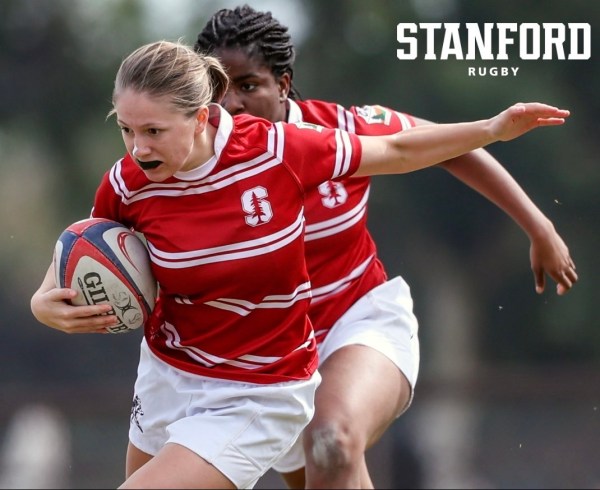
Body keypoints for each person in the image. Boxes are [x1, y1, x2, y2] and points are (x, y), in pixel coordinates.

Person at [29, 39, 572, 490]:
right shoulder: (127, 181)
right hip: (169, 373)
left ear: (201, 117)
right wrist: (44, 299)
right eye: (126, 129)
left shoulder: (279, 152)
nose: (137, 147)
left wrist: (490, 128)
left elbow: (400, 151)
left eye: (152, 132)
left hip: (255, 390)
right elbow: (84, 244)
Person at [194, 5, 579, 489]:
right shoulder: (192, 167)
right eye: (216, 90)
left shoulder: (342, 130)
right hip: (274, 359)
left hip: (362, 323)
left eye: (249, 86)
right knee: (328, 465)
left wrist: (538, 226)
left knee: (330, 440)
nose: (231, 104)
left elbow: (447, 146)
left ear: (284, 84)